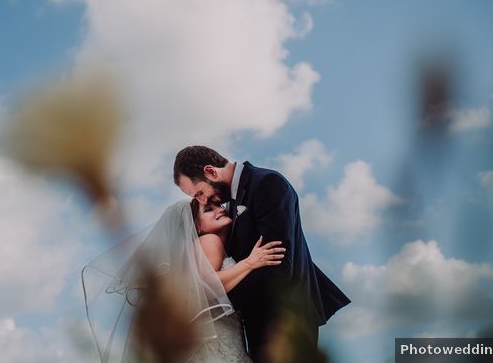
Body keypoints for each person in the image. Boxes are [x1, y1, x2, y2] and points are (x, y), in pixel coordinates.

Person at [174, 145, 351, 362]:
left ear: (211, 172)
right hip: (257, 324)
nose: (202, 201)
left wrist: (219, 303)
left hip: (283, 321)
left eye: (199, 192)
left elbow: (278, 265)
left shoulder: (267, 184)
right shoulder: (227, 210)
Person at [82, 199, 284, 363]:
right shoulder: (209, 241)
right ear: (197, 225)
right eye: (208, 209)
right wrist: (249, 263)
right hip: (218, 345)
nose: (219, 209)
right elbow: (206, 287)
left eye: (217, 205)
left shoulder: (202, 248)